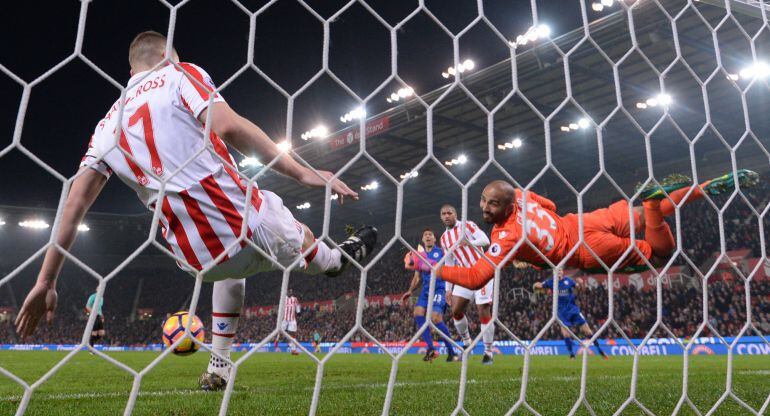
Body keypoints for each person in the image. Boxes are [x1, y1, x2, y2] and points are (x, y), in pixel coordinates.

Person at [13, 31, 378, 392]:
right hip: (246, 224)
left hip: (196, 258)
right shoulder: (180, 73)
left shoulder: (107, 125)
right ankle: (335, 260)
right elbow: (229, 126)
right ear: (168, 54)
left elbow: (74, 205)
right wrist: (302, 171)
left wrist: (46, 281)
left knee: (228, 274)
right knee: (288, 223)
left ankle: (219, 367)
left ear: (130, 72)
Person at [415, 170, 758, 290]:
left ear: (506, 207)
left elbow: (477, 277)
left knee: (660, 253)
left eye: (492, 205)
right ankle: (704, 186)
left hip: (585, 248)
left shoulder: (506, 236)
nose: (485, 208)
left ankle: (655, 207)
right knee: (635, 213)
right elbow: (548, 207)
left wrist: (434, 268)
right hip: (579, 220)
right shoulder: (520, 196)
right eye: (484, 201)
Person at [438, 204, 495, 365]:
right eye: (444, 214)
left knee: (483, 309)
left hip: (482, 270)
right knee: (456, 311)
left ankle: (488, 353)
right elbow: (449, 261)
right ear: (441, 217)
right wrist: (448, 289)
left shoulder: (467, 225)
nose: (447, 215)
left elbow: (485, 240)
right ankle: (467, 343)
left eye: (449, 212)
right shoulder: (444, 238)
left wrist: (468, 243)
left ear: (455, 214)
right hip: (464, 275)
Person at [401, 229, 457, 363]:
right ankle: (431, 349)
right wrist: (410, 290)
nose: (427, 236)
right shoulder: (418, 255)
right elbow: (417, 276)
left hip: (439, 288)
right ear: (422, 239)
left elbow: (451, 267)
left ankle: (452, 352)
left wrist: (451, 288)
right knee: (418, 313)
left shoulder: (442, 252)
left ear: (434, 239)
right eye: (425, 235)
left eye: (430, 235)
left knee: (436, 318)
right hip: (426, 290)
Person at [533, 269, 607, 359]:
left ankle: (600, 350)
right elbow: (539, 285)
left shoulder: (569, 280)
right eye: (557, 271)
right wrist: (535, 285)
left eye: (560, 271)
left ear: (562, 272)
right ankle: (572, 354)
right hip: (561, 312)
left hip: (573, 310)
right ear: (554, 273)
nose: (559, 272)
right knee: (566, 334)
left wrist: (581, 283)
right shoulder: (550, 282)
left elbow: (581, 289)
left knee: (588, 331)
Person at [281, 289, 301, 355]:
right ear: (286, 292)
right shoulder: (283, 299)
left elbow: (297, 305)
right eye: (289, 292)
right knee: (281, 332)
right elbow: (281, 307)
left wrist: (298, 312)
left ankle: (293, 350)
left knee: (293, 334)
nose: (290, 293)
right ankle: (281, 341)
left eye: (291, 292)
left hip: (292, 319)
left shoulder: (294, 299)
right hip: (285, 319)